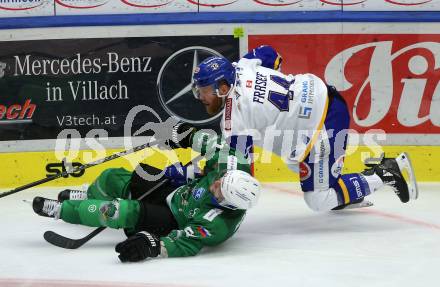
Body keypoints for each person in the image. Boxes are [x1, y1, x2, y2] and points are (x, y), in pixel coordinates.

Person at [189, 45, 419, 211]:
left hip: (323, 125)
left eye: (204, 90)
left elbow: (240, 172)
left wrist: (207, 178)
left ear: (222, 87)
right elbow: (270, 54)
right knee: (293, 159)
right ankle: (347, 191)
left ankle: (388, 171)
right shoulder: (243, 65)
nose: (200, 97)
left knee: (318, 200)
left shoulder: (234, 118)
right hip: (326, 99)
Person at [31, 146, 261, 262]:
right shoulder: (232, 169)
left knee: (118, 211)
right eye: (220, 181)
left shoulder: (217, 226)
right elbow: (214, 148)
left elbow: (185, 243)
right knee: (114, 177)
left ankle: (62, 210)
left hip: (170, 218)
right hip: (176, 188)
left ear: (229, 205)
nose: (216, 184)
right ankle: (89, 196)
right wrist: (188, 162)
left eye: (220, 190)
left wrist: (152, 246)